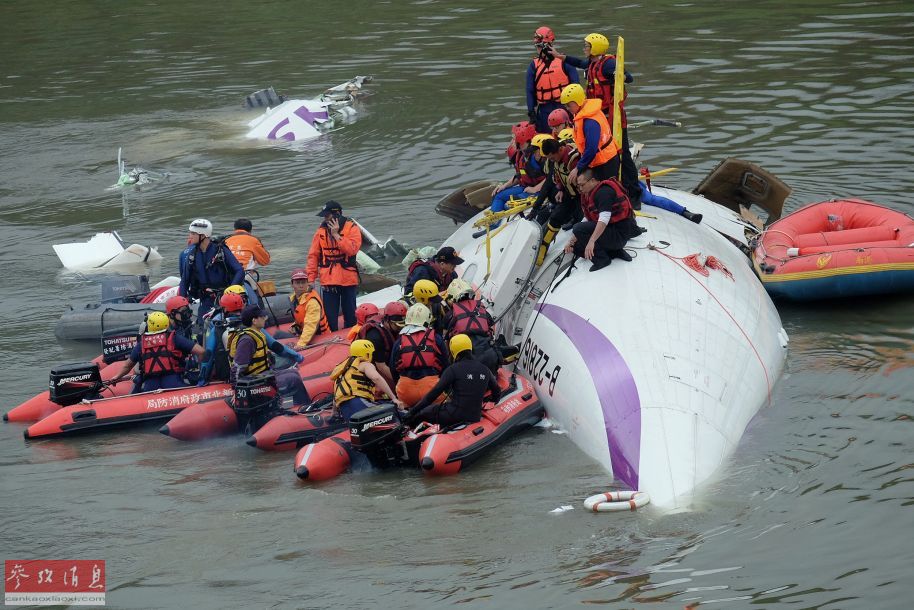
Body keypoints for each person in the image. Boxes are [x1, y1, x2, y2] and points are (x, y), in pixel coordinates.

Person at [554, 33, 640, 205]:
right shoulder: (593, 63)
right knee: (604, 152)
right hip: (600, 118)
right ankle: (608, 185)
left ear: (595, 48)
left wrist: (620, 76)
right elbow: (579, 63)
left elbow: (629, 77)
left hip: (613, 118)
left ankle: (634, 193)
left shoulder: (608, 64)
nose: (584, 48)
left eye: (587, 46)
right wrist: (560, 57)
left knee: (623, 154)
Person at [404, 334, 502, 427]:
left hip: (453, 415)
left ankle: (408, 428)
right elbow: (497, 393)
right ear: (470, 348)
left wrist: (412, 412)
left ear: (453, 351)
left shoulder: (452, 369)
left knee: (425, 411)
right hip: (475, 416)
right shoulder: (485, 369)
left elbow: (432, 395)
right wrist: (487, 402)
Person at [229, 305, 310, 406]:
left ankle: (295, 405)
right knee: (292, 379)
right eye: (262, 316)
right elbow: (237, 368)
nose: (264, 318)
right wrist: (237, 391)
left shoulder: (257, 334)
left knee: (293, 373)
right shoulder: (247, 340)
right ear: (254, 320)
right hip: (254, 381)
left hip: (263, 375)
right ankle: (293, 406)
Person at [109, 311, 205, 392]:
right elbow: (201, 352)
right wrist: (202, 373)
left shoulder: (142, 343)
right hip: (174, 384)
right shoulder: (174, 338)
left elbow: (127, 366)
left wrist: (116, 377)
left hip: (150, 387)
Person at [566, 168, 641, 271]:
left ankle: (602, 259)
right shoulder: (590, 194)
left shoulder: (603, 193)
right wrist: (572, 240)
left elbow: (604, 219)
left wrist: (591, 241)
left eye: (582, 185)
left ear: (592, 180)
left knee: (578, 228)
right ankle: (614, 252)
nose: (580, 189)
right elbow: (588, 218)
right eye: (578, 186)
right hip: (612, 232)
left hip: (619, 235)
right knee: (577, 247)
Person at [306, 200, 362, 331]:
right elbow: (313, 256)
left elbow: (352, 250)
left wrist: (336, 235)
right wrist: (311, 279)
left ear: (337, 215)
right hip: (328, 280)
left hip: (348, 279)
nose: (325, 220)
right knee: (330, 318)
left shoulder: (352, 228)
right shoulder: (321, 231)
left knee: (350, 316)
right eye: (324, 217)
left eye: (327, 216)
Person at [179, 219, 245, 328]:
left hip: (225, 297)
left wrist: (231, 291)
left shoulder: (221, 251)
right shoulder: (192, 256)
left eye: (193, 233)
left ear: (203, 235)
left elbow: (239, 270)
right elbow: (185, 281)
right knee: (202, 329)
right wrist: (181, 303)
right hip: (206, 299)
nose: (190, 236)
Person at [532, 135, 582, 265]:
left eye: (552, 158)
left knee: (580, 222)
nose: (551, 160)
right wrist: (560, 189)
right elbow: (557, 175)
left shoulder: (573, 159)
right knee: (555, 218)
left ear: (560, 150)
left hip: (583, 196)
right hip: (568, 194)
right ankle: (542, 250)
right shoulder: (555, 160)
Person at [560, 84, 620, 187]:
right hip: (597, 160)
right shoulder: (581, 112)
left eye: (568, 105)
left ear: (577, 102)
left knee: (605, 192)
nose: (567, 108)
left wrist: (578, 168)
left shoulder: (590, 121)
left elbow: (591, 149)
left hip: (606, 162)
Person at [389, 303, 448, 408]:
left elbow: (393, 368)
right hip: (431, 389)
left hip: (406, 391)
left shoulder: (399, 341)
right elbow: (446, 364)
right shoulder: (436, 338)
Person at [330, 339, 404, 421]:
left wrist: (334, 412)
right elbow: (376, 378)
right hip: (358, 404)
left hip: (345, 410)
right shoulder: (365, 365)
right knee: (397, 414)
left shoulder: (343, 369)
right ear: (367, 354)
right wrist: (394, 398)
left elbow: (337, 393)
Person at [526, 26, 580, 133]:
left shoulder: (564, 61)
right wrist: (531, 112)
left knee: (568, 136)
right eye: (537, 47)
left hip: (565, 107)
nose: (538, 50)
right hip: (544, 110)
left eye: (540, 47)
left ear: (548, 44)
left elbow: (576, 86)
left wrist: (576, 108)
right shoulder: (534, 66)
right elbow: (529, 90)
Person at [490, 122, 546, 219]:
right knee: (498, 195)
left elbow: (552, 175)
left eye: (514, 138)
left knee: (509, 204)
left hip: (539, 190)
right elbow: (520, 175)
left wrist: (535, 188)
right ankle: (493, 224)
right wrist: (504, 186)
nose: (512, 141)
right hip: (526, 187)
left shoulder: (538, 154)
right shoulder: (521, 153)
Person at [443, 279, 500, 373]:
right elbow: (492, 328)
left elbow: (445, 341)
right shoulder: (483, 310)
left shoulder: (450, 315)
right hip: (489, 360)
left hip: (464, 365)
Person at [357, 301, 406, 386]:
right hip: (375, 364)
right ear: (387, 320)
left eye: (402, 325)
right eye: (397, 325)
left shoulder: (393, 327)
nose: (400, 329)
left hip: (388, 357)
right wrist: (400, 383)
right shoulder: (375, 337)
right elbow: (381, 367)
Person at [289, 268, 330, 349]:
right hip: (302, 332)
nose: (301, 285)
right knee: (278, 335)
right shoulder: (295, 298)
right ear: (292, 284)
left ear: (307, 283)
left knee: (279, 337)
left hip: (318, 336)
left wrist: (300, 344)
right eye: (297, 283)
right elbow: (301, 316)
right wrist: (294, 326)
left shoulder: (312, 301)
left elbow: (310, 325)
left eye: (303, 282)